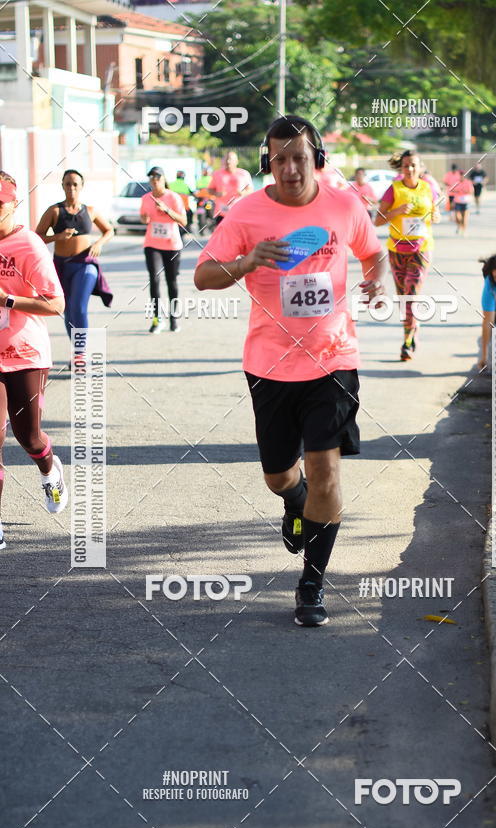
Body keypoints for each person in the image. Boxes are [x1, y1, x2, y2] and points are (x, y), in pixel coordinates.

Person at [194, 115, 385, 627]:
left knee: (326, 469)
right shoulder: (247, 213)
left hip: (334, 359)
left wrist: (378, 282)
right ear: (268, 164)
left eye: (300, 157)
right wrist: (248, 260)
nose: (291, 168)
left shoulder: (345, 205)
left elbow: (374, 252)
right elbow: (202, 275)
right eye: (280, 159)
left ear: (316, 158)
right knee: (280, 475)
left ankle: (311, 586)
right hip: (270, 365)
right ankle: (295, 502)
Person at [0, 171, 68, 549]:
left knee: (28, 436)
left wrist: (7, 299)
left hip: (25, 354)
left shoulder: (28, 245)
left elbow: (55, 304)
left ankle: (49, 470)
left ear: (14, 204)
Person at [35, 169, 113, 364]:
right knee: (68, 310)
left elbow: (109, 230)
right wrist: (57, 237)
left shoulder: (91, 210)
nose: (71, 188)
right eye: (68, 184)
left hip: (86, 264)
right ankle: (78, 350)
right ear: (62, 186)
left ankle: (79, 353)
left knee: (78, 306)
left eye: (75, 184)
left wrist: (98, 244)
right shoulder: (54, 211)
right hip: (62, 266)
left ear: (82, 187)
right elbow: (37, 237)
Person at [375, 150, 438, 361]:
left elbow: (436, 214)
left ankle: (407, 342)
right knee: (404, 299)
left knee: (411, 296)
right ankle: (412, 329)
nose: (410, 169)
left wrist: (435, 215)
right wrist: (397, 210)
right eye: (406, 166)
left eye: (413, 165)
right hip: (397, 249)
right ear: (401, 169)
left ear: (420, 168)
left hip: (421, 250)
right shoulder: (393, 190)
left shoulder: (428, 188)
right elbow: (378, 220)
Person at [140, 166, 187, 334]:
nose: (154, 180)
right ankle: (157, 319)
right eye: (151, 177)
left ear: (163, 179)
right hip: (152, 244)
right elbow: (143, 217)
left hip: (172, 245)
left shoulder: (173, 197)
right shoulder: (146, 198)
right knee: (154, 279)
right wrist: (145, 218)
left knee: (171, 282)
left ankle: (174, 318)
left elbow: (184, 221)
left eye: (157, 177)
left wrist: (167, 210)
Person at [207, 151, 253, 227]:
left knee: (238, 236)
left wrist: (243, 193)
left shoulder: (244, 174)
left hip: (239, 212)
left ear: (236, 161)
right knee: (222, 237)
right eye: (226, 159)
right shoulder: (217, 174)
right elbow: (209, 190)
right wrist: (217, 193)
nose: (228, 162)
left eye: (230, 159)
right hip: (222, 212)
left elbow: (250, 190)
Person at [170, 169, 194, 234]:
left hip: (172, 208)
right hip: (184, 208)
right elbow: (192, 193)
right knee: (190, 213)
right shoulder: (185, 185)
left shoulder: (171, 184)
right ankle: (188, 228)